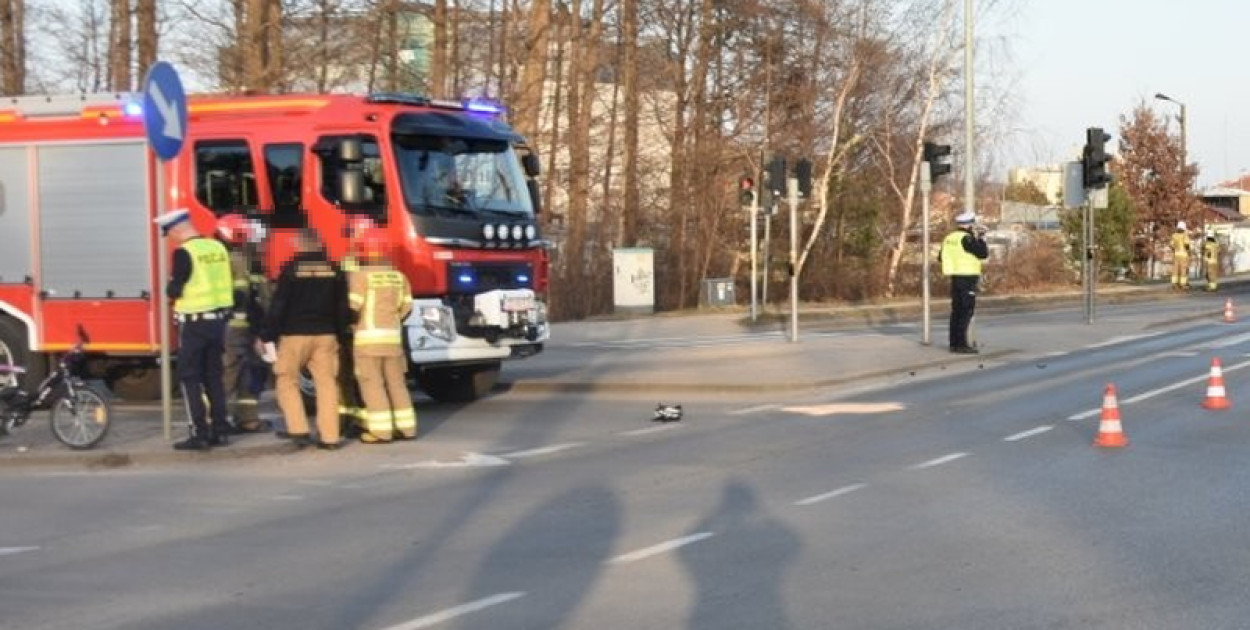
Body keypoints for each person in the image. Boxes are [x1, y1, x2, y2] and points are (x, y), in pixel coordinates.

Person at [261, 228, 351, 450]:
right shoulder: (334, 269)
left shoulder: (291, 269)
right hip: (326, 335)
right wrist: (341, 335)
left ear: (299, 245)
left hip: (294, 335)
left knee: (286, 380)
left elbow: (279, 305)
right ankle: (330, 437)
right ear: (320, 244)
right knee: (327, 384)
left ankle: (298, 430)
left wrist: (268, 334)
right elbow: (342, 306)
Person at [155, 209, 235, 451]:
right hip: (218, 321)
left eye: (169, 234)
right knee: (213, 377)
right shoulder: (217, 248)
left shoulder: (184, 252)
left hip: (194, 322)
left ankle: (198, 433)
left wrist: (170, 287)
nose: (170, 239)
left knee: (190, 378)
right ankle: (220, 429)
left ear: (177, 229)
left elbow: (176, 289)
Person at [347, 229, 417, 443]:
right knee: (397, 384)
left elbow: (353, 308)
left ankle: (381, 432)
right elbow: (407, 308)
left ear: (363, 251)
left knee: (373, 385)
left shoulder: (360, 276)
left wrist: (349, 326)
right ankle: (407, 429)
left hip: (368, 343)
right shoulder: (399, 277)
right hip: (393, 342)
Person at [215, 214, 267, 433]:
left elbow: (260, 295)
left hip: (246, 327)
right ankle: (217, 420)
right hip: (233, 327)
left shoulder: (246, 259)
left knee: (249, 374)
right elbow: (246, 295)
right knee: (229, 374)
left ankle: (247, 419)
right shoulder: (229, 258)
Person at [938, 211, 989, 354]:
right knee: (966, 311)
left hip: (955, 277)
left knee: (956, 311)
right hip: (967, 278)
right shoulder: (966, 239)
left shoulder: (949, 238)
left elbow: (941, 257)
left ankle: (953, 343)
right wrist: (982, 239)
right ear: (969, 224)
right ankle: (961, 344)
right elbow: (983, 253)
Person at [1170, 221, 1191, 290]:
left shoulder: (1174, 235)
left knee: (1175, 270)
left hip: (1176, 255)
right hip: (1183, 255)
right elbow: (1186, 244)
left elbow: (1171, 245)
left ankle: (1174, 283)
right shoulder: (1185, 235)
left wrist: (1174, 251)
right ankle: (1183, 284)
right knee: (1183, 270)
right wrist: (1188, 251)